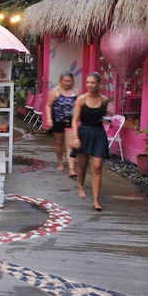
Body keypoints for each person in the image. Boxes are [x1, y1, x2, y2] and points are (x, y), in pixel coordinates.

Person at [70, 72, 110, 211]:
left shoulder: (104, 100)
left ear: (98, 84)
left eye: (93, 82)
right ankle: (81, 186)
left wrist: (106, 121)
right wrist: (75, 137)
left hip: (98, 133)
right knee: (82, 164)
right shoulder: (81, 99)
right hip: (84, 132)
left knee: (97, 167)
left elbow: (102, 115)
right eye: (88, 82)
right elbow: (75, 120)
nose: (90, 85)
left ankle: (96, 200)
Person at [45, 72, 78, 178]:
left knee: (70, 145)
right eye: (65, 81)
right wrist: (49, 118)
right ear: (61, 81)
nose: (67, 83)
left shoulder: (76, 92)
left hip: (70, 121)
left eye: (69, 81)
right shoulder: (55, 92)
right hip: (57, 120)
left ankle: (71, 169)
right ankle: (60, 161)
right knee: (59, 142)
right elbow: (48, 105)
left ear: (72, 81)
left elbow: (80, 106)